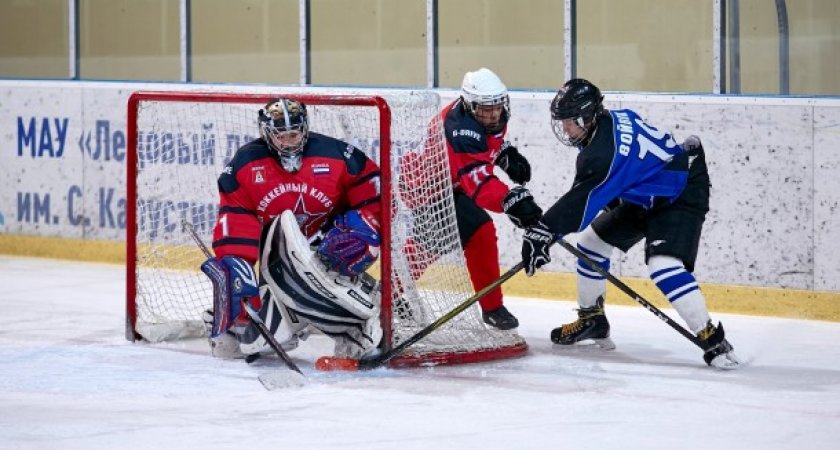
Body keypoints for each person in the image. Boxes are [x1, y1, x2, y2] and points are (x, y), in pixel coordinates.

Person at [520, 79, 740, 369]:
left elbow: (581, 201)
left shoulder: (600, 153)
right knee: (591, 244)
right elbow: (619, 176)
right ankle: (592, 320)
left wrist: (544, 231)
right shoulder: (608, 121)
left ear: (587, 116)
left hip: (680, 190)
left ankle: (712, 338)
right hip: (648, 191)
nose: (565, 129)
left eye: (569, 122)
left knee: (663, 266)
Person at [200, 97, 384, 362]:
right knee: (264, 340)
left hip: (326, 250)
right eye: (282, 136)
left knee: (341, 297)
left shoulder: (335, 154)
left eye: (294, 134)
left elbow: (374, 190)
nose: (289, 142)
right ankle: (226, 322)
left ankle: (352, 331)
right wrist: (237, 266)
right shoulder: (246, 164)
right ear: (267, 135)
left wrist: (365, 228)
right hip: (275, 260)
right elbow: (236, 217)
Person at [401, 67, 543, 331]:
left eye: (496, 106)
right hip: (426, 188)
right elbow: (479, 184)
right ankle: (491, 307)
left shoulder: (486, 115)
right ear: (469, 105)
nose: (492, 114)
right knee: (475, 232)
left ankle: (389, 291)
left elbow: (488, 143)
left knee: (435, 244)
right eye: (485, 108)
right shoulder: (460, 129)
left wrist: (504, 153)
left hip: (450, 182)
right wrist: (511, 200)